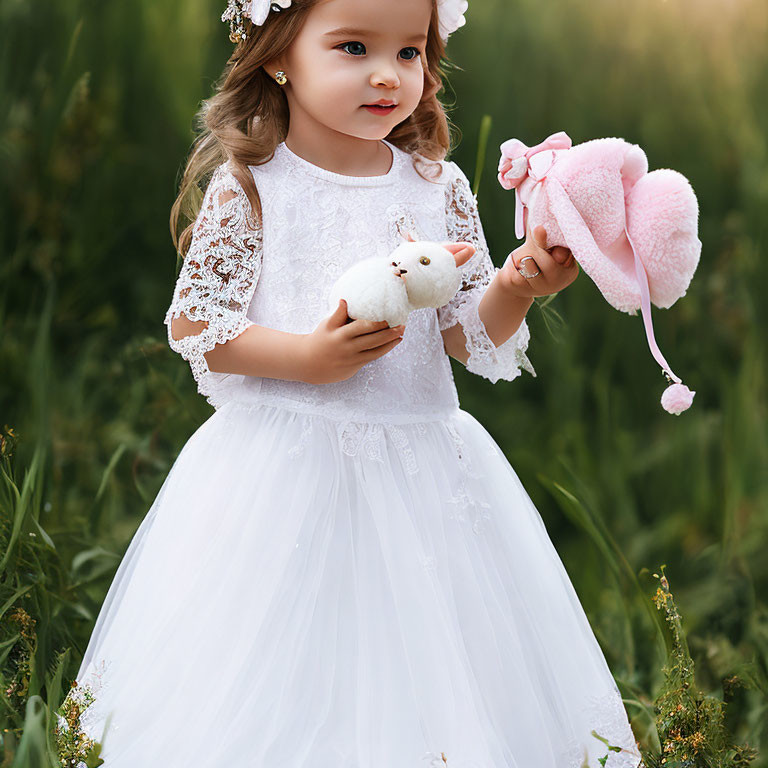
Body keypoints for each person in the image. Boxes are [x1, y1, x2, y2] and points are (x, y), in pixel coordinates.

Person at [66, 0, 642, 766]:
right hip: (282, 469)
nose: (387, 73)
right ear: (278, 55)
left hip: (422, 469)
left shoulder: (435, 187)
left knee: (425, 665)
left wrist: (516, 285)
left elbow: (468, 338)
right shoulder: (257, 187)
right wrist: (308, 358)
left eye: (410, 51)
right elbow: (198, 325)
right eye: (353, 46)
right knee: (277, 664)